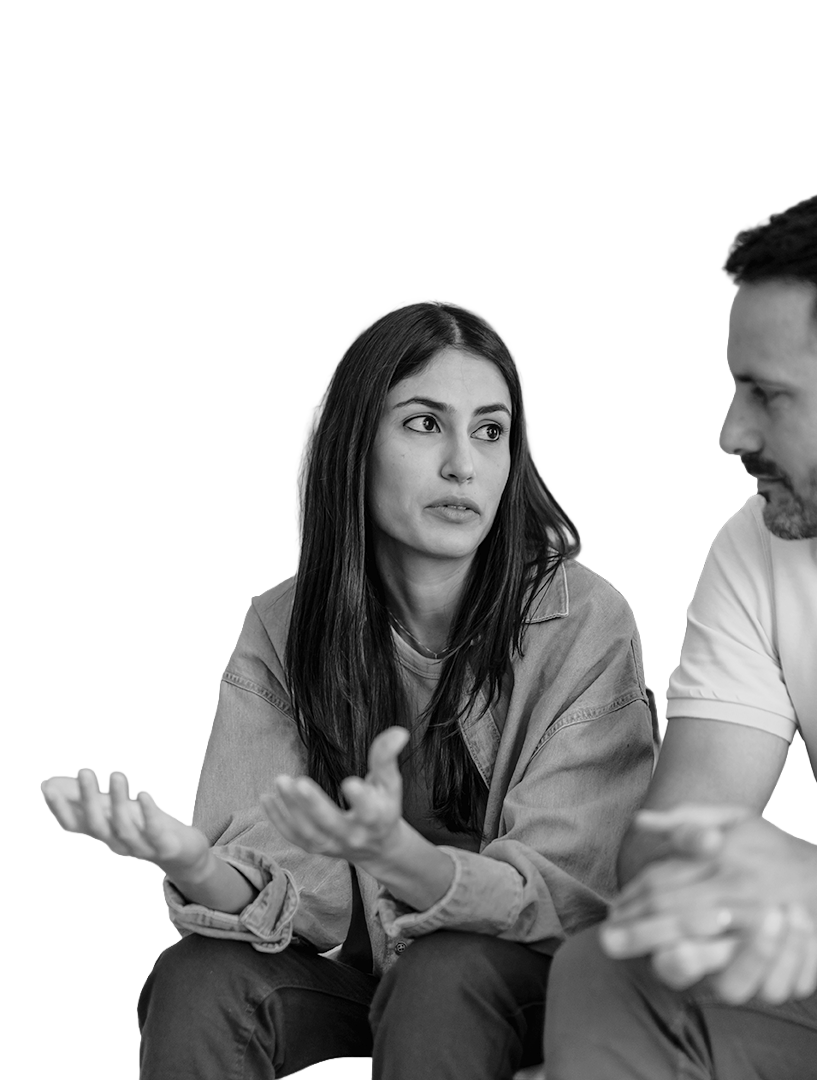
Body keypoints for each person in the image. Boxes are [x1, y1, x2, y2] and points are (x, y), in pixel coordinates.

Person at [44, 300, 655, 1080]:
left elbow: (567, 898)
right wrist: (193, 863)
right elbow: (299, 897)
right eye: (425, 424)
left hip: (539, 980)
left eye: (489, 431)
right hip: (379, 984)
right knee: (197, 975)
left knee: (443, 972)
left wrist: (401, 857)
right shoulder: (284, 625)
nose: (463, 465)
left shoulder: (584, 621)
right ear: (355, 444)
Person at [543, 181, 817, 1079]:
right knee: (615, 972)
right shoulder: (763, 544)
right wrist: (708, 891)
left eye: (770, 396)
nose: (734, 431)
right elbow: (679, 826)